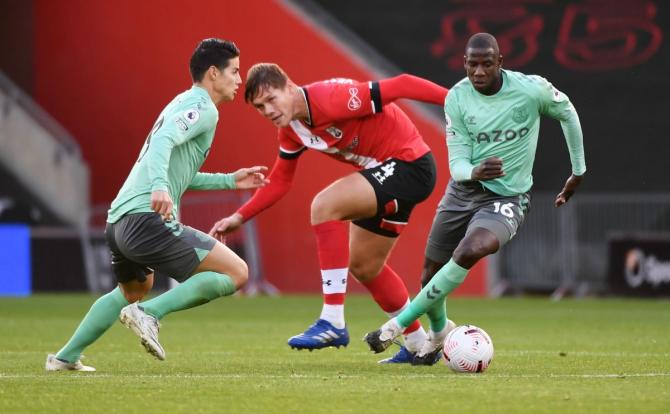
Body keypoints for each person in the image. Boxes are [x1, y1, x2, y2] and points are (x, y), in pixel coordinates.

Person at [46, 38, 269, 371]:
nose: (239, 80)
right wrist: (161, 187)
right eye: (234, 71)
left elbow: (175, 169)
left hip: (119, 221)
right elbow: (163, 144)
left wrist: (229, 180)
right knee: (237, 272)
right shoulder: (203, 108)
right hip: (145, 218)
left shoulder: (181, 103)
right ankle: (149, 314)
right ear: (212, 73)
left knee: (134, 288)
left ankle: (65, 357)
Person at [364, 32, 587, 364]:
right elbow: (457, 163)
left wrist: (577, 171)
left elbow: (567, 113)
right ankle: (439, 335)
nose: (479, 71)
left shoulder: (531, 90)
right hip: (463, 191)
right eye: (472, 64)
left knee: (471, 249)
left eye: (486, 63)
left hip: (507, 198)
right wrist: (475, 172)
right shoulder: (457, 98)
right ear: (464, 64)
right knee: (429, 274)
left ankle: (394, 327)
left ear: (500, 62)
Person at [209, 63, 449, 363]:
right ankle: (417, 345)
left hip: (410, 165)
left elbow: (401, 84)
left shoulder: (333, 97)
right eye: (260, 107)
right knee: (365, 267)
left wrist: (455, 100)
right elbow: (281, 180)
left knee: (324, 205)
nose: (268, 110)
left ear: (290, 86)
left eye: (271, 99)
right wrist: (239, 217)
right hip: (387, 173)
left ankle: (333, 320)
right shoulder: (290, 130)